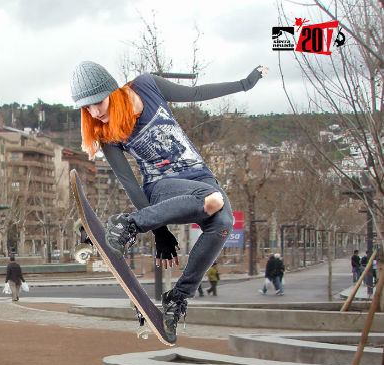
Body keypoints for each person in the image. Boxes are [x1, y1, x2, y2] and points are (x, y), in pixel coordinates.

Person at [72, 61, 267, 342]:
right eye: (87, 109)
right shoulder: (106, 135)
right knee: (212, 201)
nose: (95, 113)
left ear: (112, 93)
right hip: (160, 188)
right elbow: (129, 182)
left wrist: (244, 84)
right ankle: (129, 224)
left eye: (98, 103)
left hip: (201, 178)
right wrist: (159, 231)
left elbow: (197, 93)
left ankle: (177, 297)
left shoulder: (148, 85)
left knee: (223, 221)